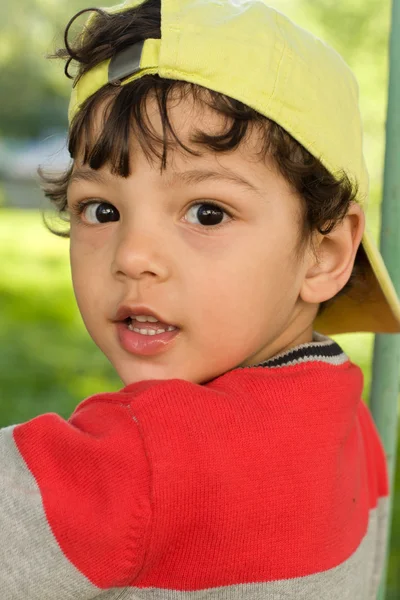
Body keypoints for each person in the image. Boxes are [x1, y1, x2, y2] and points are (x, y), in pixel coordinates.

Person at [2, 0, 400, 597]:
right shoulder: (347, 415)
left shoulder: (142, 459)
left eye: (207, 213)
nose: (132, 255)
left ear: (325, 252)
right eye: (102, 210)